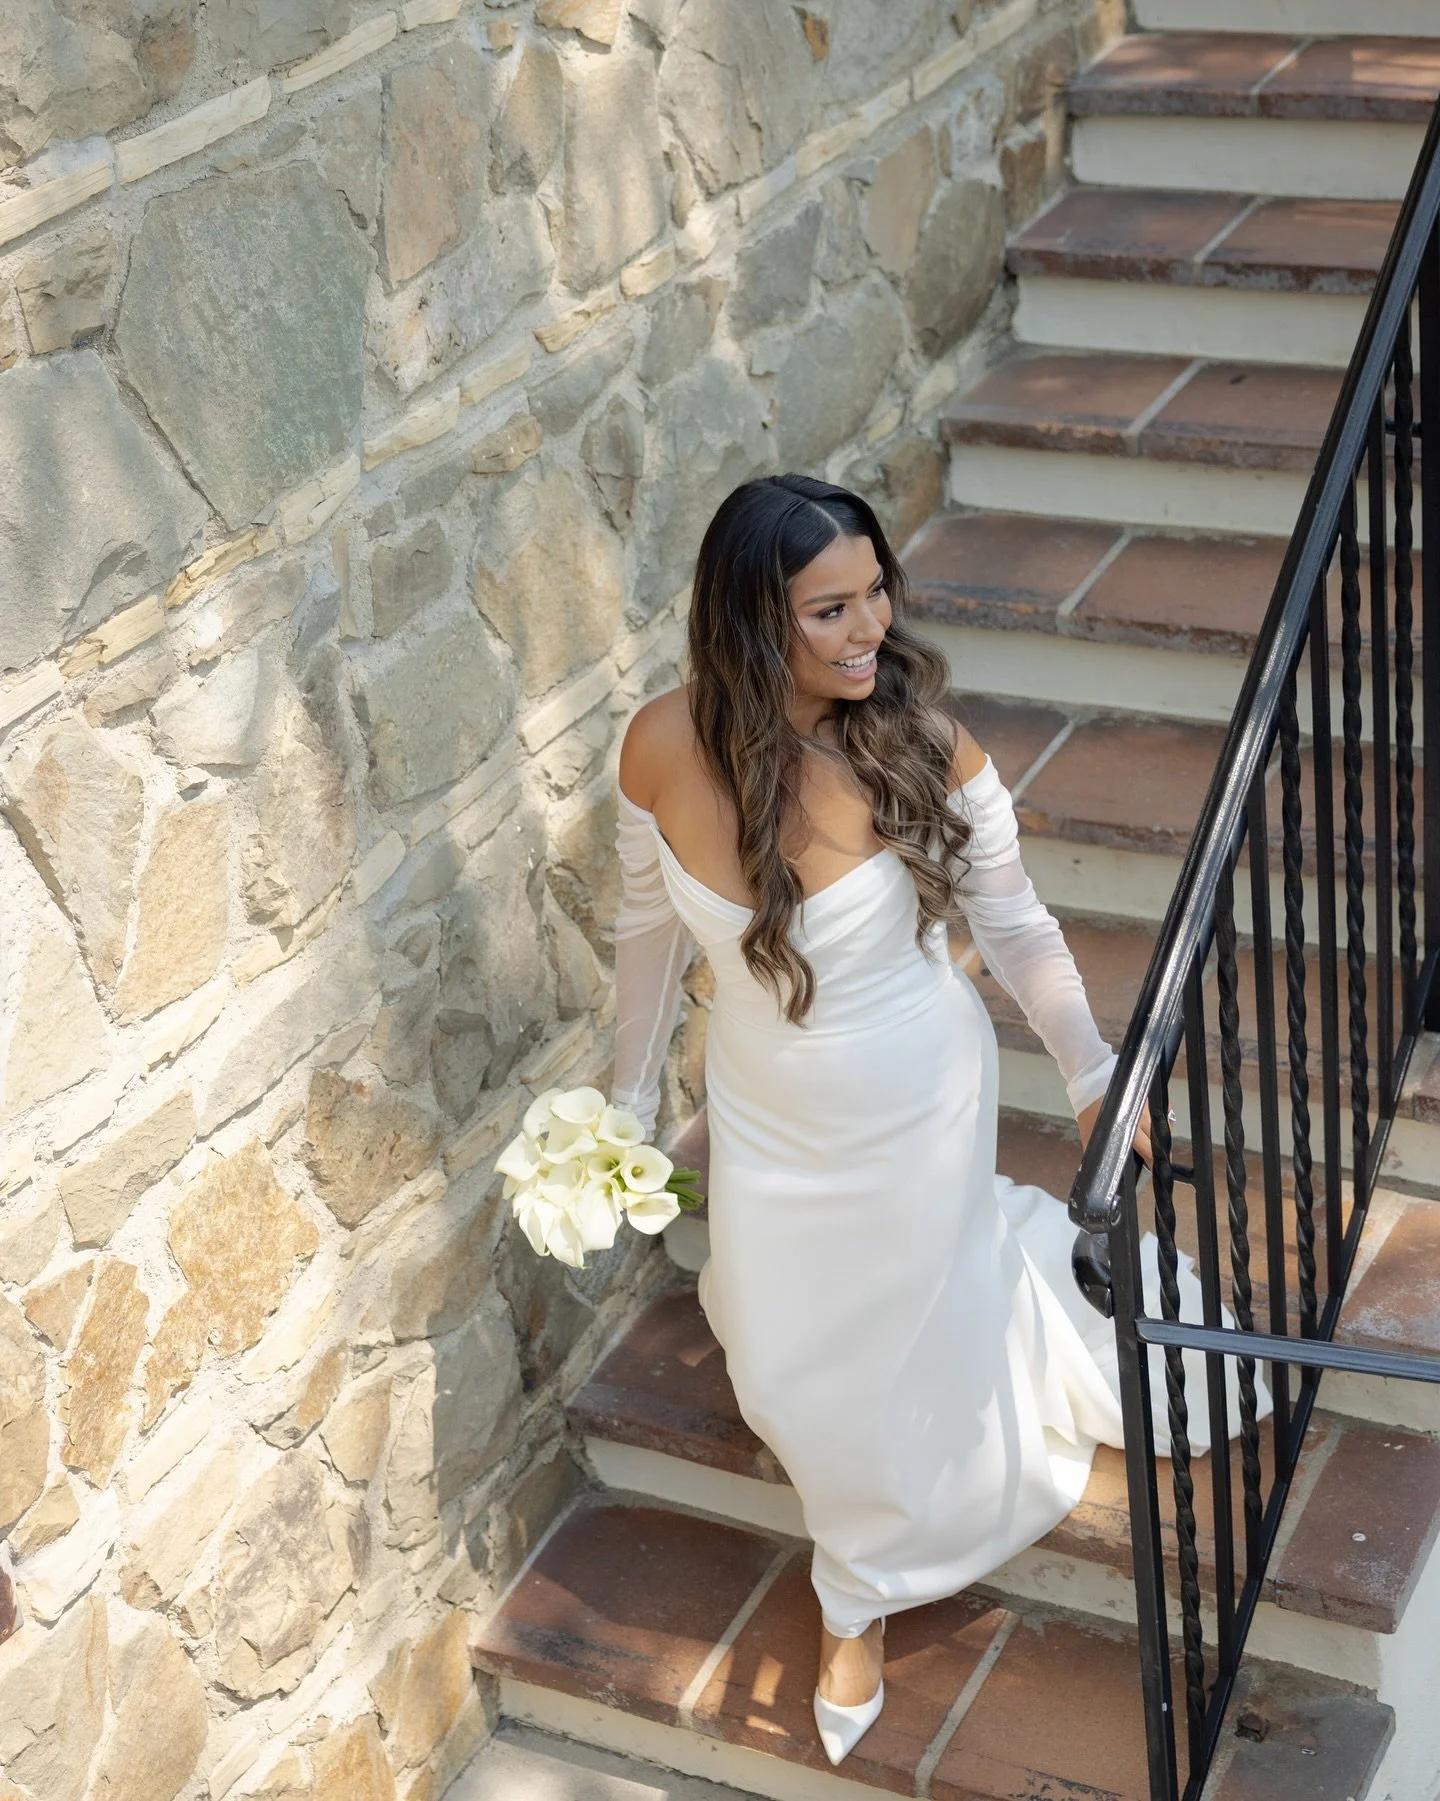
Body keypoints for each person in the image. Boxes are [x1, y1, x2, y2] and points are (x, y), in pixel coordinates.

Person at [610, 473, 1260, 1765]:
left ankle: (855, 1593)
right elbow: (644, 937)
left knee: (883, 1350)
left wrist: (1090, 1073)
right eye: (828, 610)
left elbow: (1016, 926)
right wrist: (624, 1110)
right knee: (788, 1348)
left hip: (916, 1102)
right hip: (762, 1109)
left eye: (874, 594)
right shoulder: (658, 746)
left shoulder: (922, 745)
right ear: (750, 620)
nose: (869, 630)